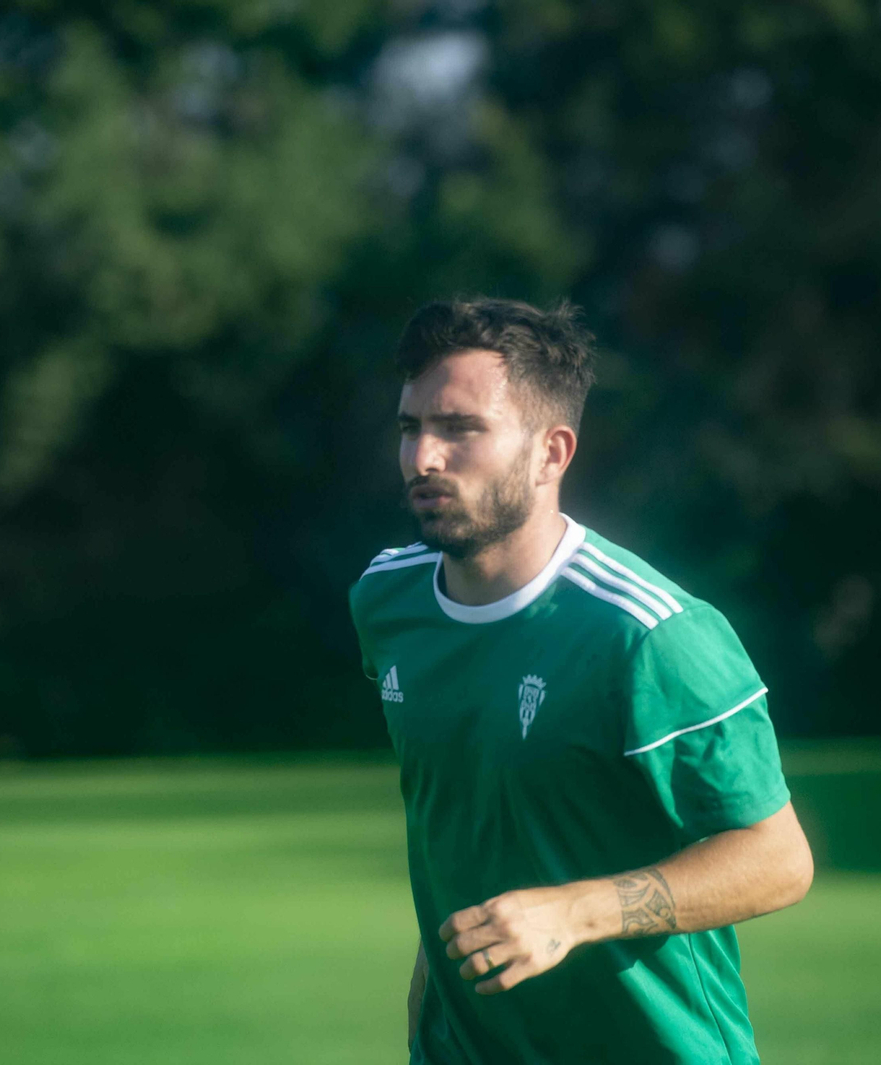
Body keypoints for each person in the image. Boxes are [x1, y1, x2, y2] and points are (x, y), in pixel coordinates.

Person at [347, 297, 815, 1064]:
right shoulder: (386, 601)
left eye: (460, 429)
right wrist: (434, 970)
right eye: (410, 427)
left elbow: (778, 858)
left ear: (551, 453)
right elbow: (467, 812)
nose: (422, 457)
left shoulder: (649, 635)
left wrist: (576, 910)